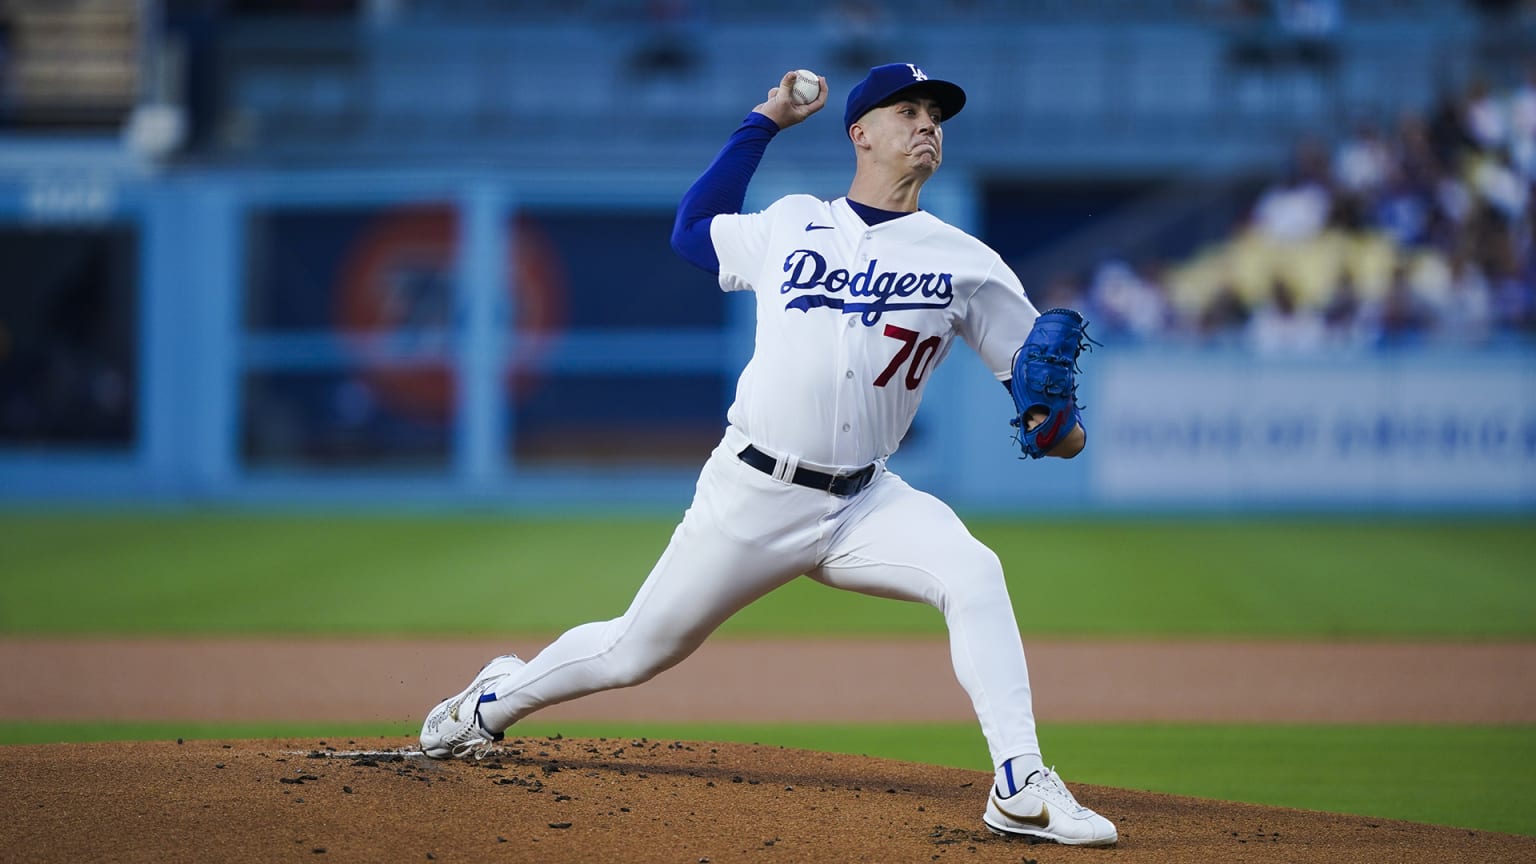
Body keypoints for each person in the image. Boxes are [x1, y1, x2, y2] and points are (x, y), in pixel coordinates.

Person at [419, 63, 1117, 847]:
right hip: (753, 492)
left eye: (937, 115)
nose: (929, 124)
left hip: (864, 502)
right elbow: (691, 231)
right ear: (860, 132)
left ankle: (1020, 781)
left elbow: (1049, 417)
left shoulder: (970, 264)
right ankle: (489, 702)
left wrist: (1060, 431)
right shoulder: (790, 222)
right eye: (909, 110)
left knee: (974, 572)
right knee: (633, 651)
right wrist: (765, 120)